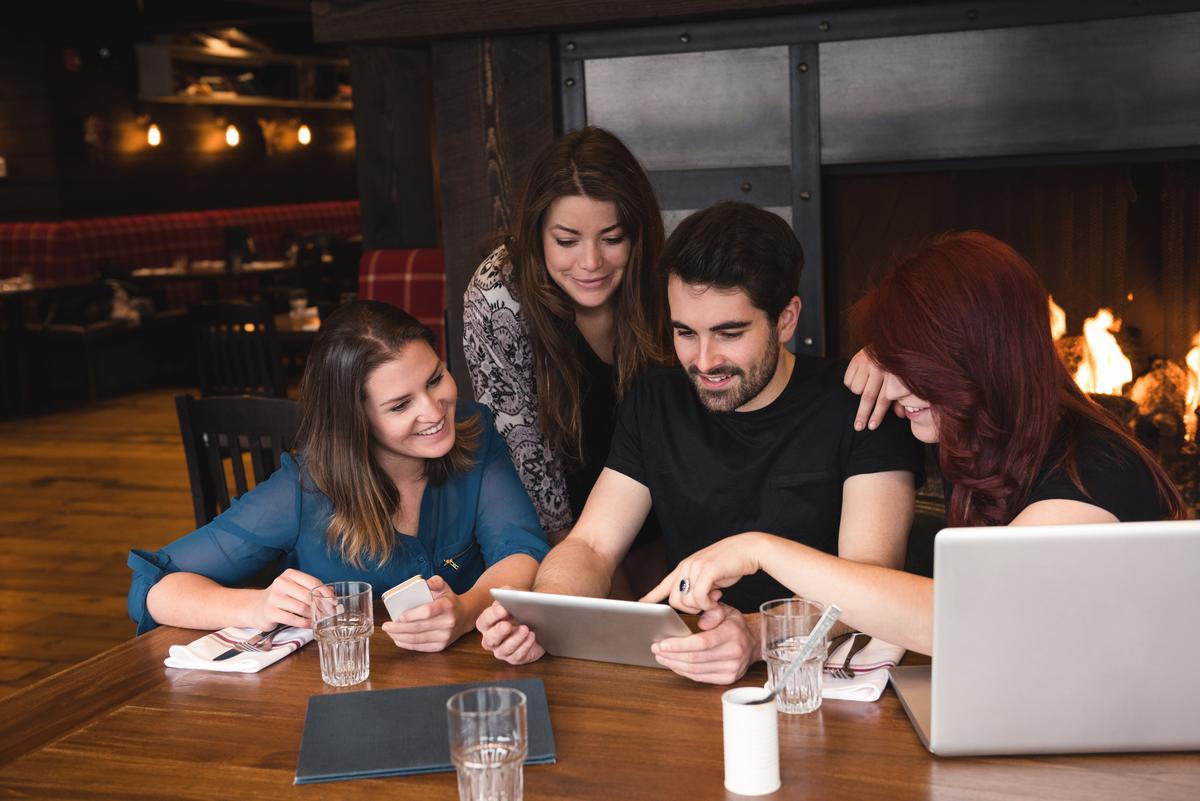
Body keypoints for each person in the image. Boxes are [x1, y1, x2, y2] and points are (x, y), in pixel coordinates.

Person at [644, 231, 1185, 655]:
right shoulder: (992, 438)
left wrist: (757, 548)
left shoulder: (1094, 472)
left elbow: (959, 620)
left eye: (911, 365)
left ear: (975, 359)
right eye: (888, 361)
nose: (893, 388)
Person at [476, 202, 925, 684]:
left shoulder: (859, 404)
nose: (705, 361)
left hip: (817, 679)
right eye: (685, 333)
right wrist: (547, 613)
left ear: (787, 318)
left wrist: (757, 635)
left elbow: (872, 584)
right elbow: (591, 545)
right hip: (688, 669)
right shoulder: (655, 400)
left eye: (729, 333)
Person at [127, 301, 549, 652]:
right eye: (401, 405)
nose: (436, 412)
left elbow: (520, 549)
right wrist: (256, 606)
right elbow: (156, 587)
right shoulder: (303, 489)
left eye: (435, 378)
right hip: (341, 693)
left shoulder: (474, 432)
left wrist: (465, 610)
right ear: (355, 421)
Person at [462, 127, 669, 577]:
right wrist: (581, 575)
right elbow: (524, 451)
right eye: (567, 240)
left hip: (663, 509)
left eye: (612, 238)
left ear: (638, 234)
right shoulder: (499, 294)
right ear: (536, 233)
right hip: (560, 533)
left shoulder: (661, 277)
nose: (591, 262)